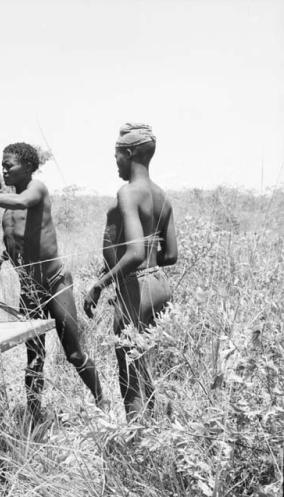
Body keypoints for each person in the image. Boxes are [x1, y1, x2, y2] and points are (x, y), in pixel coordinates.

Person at [0, 142, 105, 421]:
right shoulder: (6, 210)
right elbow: (16, 244)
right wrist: (0, 258)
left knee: (74, 354)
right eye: (2, 163)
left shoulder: (36, 190)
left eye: (10, 164)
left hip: (56, 284)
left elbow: (22, 202)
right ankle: (35, 419)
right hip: (30, 291)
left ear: (30, 167)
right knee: (34, 358)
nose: (4, 168)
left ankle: (103, 405)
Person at [83, 123, 178, 422]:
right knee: (145, 367)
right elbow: (171, 255)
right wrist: (149, 269)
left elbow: (135, 252)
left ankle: (138, 450)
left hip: (135, 289)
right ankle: (158, 431)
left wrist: (99, 285)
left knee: (130, 379)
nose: (116, 163)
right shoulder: (162, 196)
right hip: (161, 287)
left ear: (129, 153)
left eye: (117, 157)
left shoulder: (128, 193)